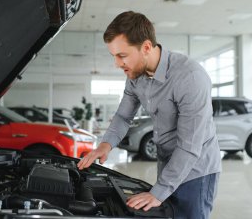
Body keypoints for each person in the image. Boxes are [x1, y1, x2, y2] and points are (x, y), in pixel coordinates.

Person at [77, 11, 221, 219]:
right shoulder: (135, 75)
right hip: (168, 164)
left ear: (145, 47)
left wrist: (158, 191)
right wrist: (105, 145)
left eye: (122, 56)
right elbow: (123, 116)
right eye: (114, 56)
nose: (117, 64)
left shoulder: (190, 77)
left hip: (197, 171)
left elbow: (189, 147)